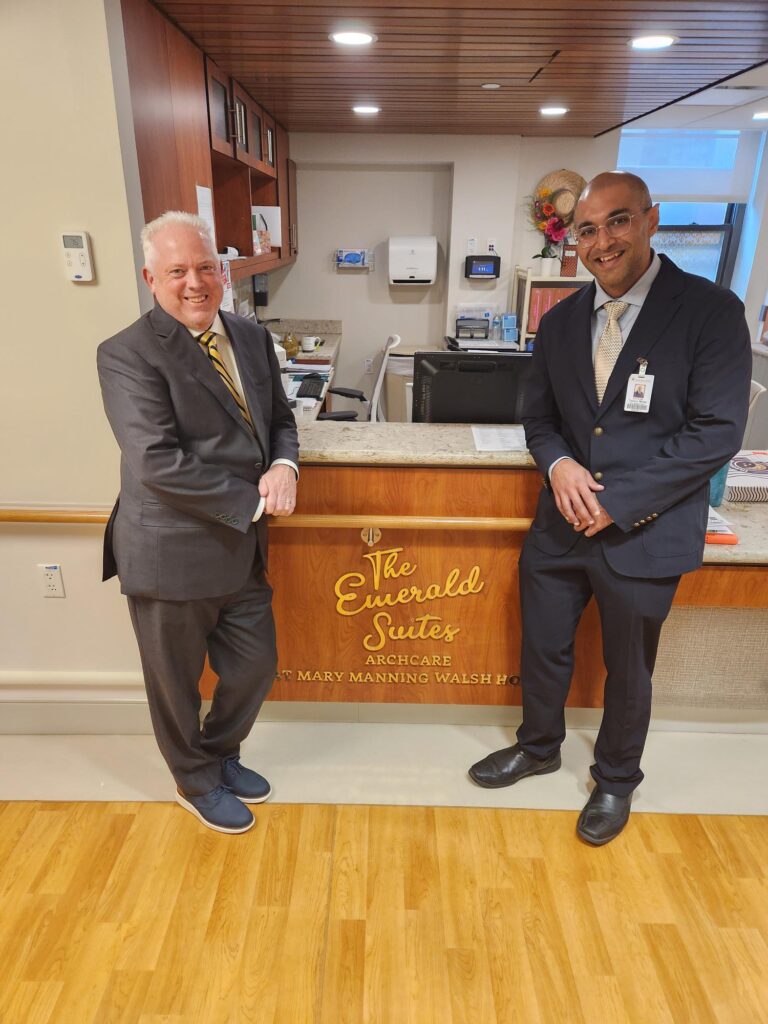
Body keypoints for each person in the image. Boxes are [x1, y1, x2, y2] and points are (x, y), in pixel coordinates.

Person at [469, 172, 752, 845]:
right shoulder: (563, 319)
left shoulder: (711, 312)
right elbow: (538, 419)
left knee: (629, 668)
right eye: (588, 229)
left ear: (652, 220)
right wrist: (559, 463)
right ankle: (539, 746)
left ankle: (616, 780)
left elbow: (716, 431)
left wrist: (620, 502)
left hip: (644, 533)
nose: (602, 242)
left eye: (618, 222)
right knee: (543, 647)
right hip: (560, 525)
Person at [98, 211, 299, 834]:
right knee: (175, 683)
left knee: (255, 667)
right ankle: (193, 780)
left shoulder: (250, 335)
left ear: (224, 270)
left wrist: (287, 463)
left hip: (240, 551)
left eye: (206, 267)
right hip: (171, 550)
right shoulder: (126, 354)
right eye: (178, 270)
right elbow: (157, 462)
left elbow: (279, 419)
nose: (195, 282)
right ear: (150, 277)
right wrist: (255, 500)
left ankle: (218, 754)